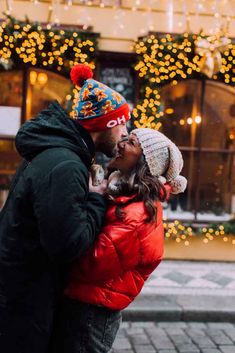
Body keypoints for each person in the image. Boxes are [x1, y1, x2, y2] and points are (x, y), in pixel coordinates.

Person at [0, 63, 130, 353]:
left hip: (20, 291)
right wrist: (97, 199)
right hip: (26, 301)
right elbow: (68, 245)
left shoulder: (61, 153)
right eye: (121, 123)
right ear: (106, 124)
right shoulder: (66, 165)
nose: (124, 132)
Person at [50, 128, 187, 353]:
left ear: (144, 164)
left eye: (131, 143)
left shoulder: (137, 213)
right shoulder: (122, 197)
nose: (121, 144)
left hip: (91, 316)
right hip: (85, 305)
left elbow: (93, 264)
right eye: (126, 138)